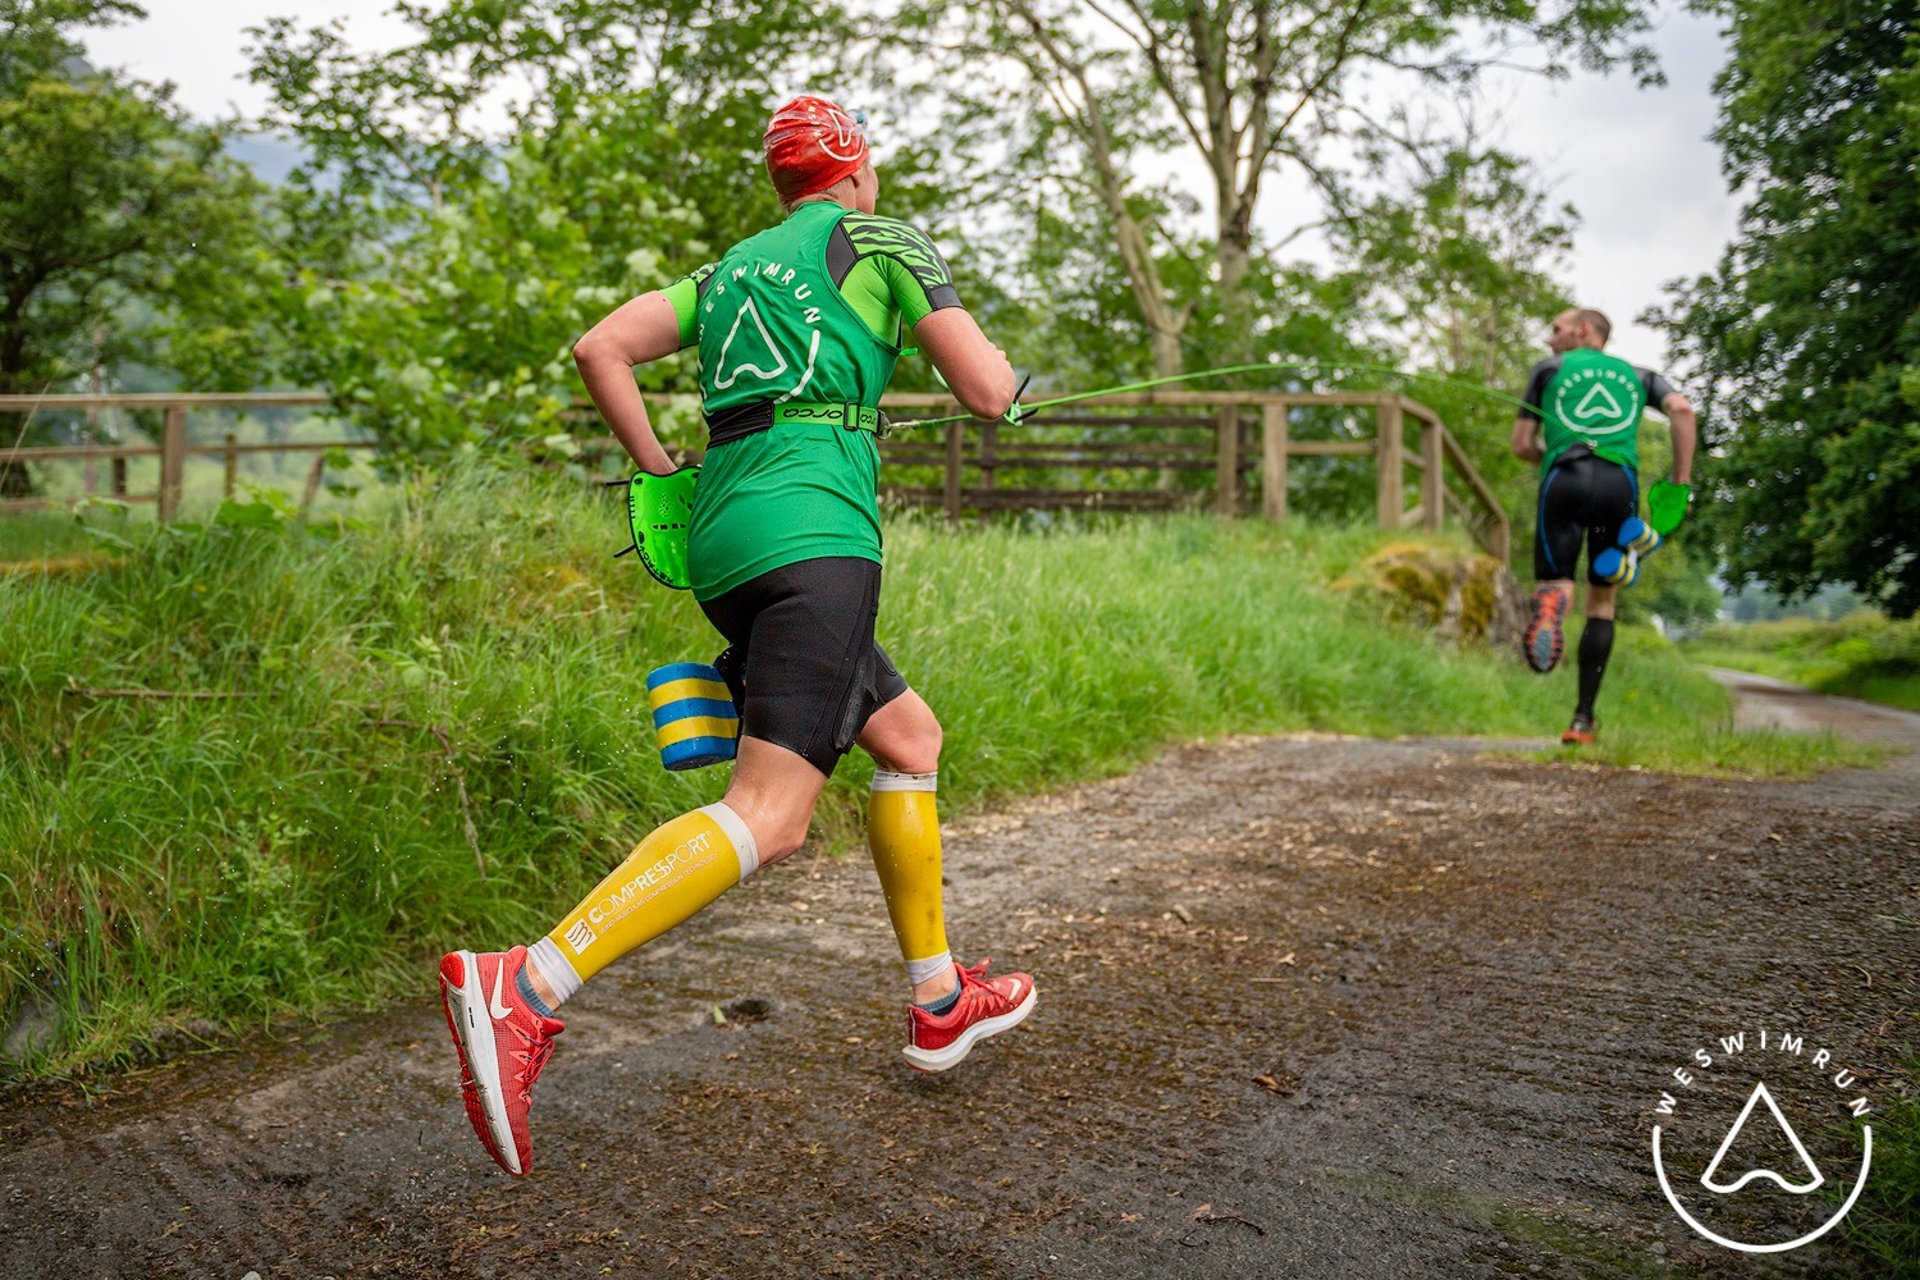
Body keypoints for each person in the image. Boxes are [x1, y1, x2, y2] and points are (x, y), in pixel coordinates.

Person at [437, 95, 1037, 1178]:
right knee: (771, 814)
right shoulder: (883, 239)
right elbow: (988, 390)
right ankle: (524, 982)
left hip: (722, 541)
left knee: (906, 737)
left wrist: (663, 468)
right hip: (819, 535)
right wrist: (1018, 385)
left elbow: (601, 346)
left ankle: (940, 1002)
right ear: (855, 172)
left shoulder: (730, 272)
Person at [1512, 307, 1696, 745]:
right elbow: (1683, 410)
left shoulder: (1549, 370)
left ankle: (1552, 606)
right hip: (1619, 484)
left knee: (1557, 580)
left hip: (1564, 478)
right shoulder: (1640, 376)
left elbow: (1521, 444)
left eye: (1555, 329)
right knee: (1602, 602)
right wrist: (1680, 483)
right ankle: (1582, 720)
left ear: (1584, 330)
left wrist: (1553, 461)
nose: (1549, 339)